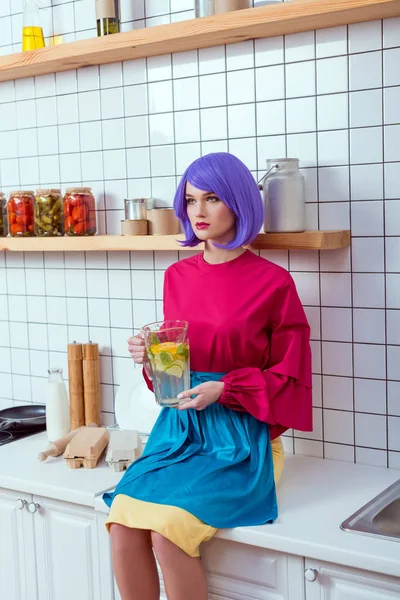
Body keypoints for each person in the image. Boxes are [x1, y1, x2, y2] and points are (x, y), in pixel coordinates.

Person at [103, 152, 312, 600]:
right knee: (121, 525)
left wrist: (226, 389)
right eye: (191, 199)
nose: (198, 211)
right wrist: (150, 360)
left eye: (212, 198)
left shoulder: (274, 283)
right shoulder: (176, 276)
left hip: (240, 438)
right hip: (177, 432)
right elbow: (174, 374)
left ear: (238, 203)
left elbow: (290, 377)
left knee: (166, 533)